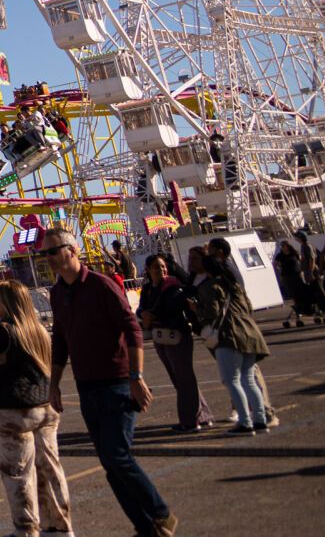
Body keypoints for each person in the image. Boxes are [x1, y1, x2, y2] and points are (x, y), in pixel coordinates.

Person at [43, 224, 174, 537]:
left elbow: (132, 328)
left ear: (72, 250)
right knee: (109, 463)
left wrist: (136, 377)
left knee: (117, 455)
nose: (46, 258)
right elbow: (60, 339)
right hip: (86, 385)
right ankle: (146, 527)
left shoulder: (101, 286)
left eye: (51, 251)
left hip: (116, 381)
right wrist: (55, 383)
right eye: (43, 253)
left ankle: (161, 513)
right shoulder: (57, 292)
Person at [0, 280, 70, 537]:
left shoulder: (1, 331)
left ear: (6, 302)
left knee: (17, 472)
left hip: (11, 408)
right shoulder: (38, 330)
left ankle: (26, 529)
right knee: (49, 468)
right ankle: (58, 525)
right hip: (43, 405)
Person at [193, 238, 272, 433]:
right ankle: (260, 419)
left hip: (229, 336)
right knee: (248, 378)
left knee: (232, 380)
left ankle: (245, 421)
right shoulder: (234, 286)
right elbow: (249, 307)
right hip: (249, 332)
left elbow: (211, 313)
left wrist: (196, 309)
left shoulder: (210, 287)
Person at [138, 254, 211, 432]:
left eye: (163, 266)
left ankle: (189, 420)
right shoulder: (148, 289)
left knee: (184, 377)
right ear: (148, 270)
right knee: (177, 377)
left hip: (177, 334)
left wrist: (152, 314)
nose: (161, 270)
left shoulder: (174, 286)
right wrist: (143, 314)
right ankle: (202, 415)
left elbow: (174, 306)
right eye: (156, 267)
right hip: (160, 336)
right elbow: (140, 307)